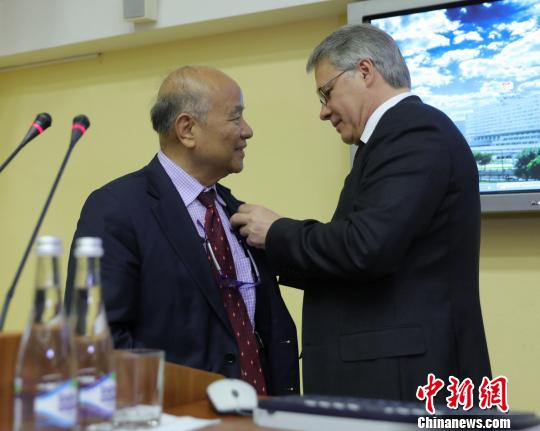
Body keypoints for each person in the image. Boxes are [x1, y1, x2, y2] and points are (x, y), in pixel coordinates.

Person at [231, 24, 491, 401]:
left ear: (365, 71)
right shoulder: (390, 139)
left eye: (326, 93)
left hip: (405, 382)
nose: (323, 112)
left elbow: (366, 246)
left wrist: (276, 231)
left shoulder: (413, 131)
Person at [65, 66, 299, 395]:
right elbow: (98, 339)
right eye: (236, 117)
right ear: (187, 129)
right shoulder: (118, 209)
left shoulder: (237, 212)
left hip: (263, 411)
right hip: (177, 412)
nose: (247, 131)